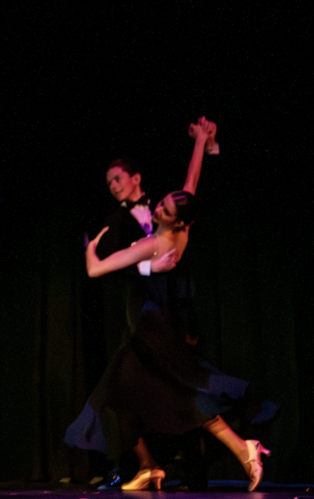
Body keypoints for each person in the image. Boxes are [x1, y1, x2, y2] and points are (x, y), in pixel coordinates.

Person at [65, 117, 272, 492]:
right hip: (157, 324)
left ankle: (241, 449)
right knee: (132, 393)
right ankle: (153, 464)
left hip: (151, 327)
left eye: (163, 210)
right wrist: (200, 142)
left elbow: (96, 271)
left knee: (169, 395)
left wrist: (91, 249)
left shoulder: (151, 243)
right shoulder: (182, 228)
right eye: (160, 205)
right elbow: (190, 184)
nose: (159, 209)